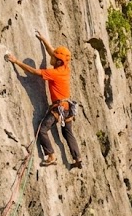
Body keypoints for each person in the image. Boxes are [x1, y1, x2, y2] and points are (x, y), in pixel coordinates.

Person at [6, 31, 83, 169]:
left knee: (42, 130)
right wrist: (43, 40)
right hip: (68, 107)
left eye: (53, 57)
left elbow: (34, 72)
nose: (51, 57)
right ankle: (77, 158)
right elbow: (52, 51)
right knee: (67, 132)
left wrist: (16, 61)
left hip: (59, 108)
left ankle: (51, 156)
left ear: (58, 61)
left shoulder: (54, 73)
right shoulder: (65, 68)